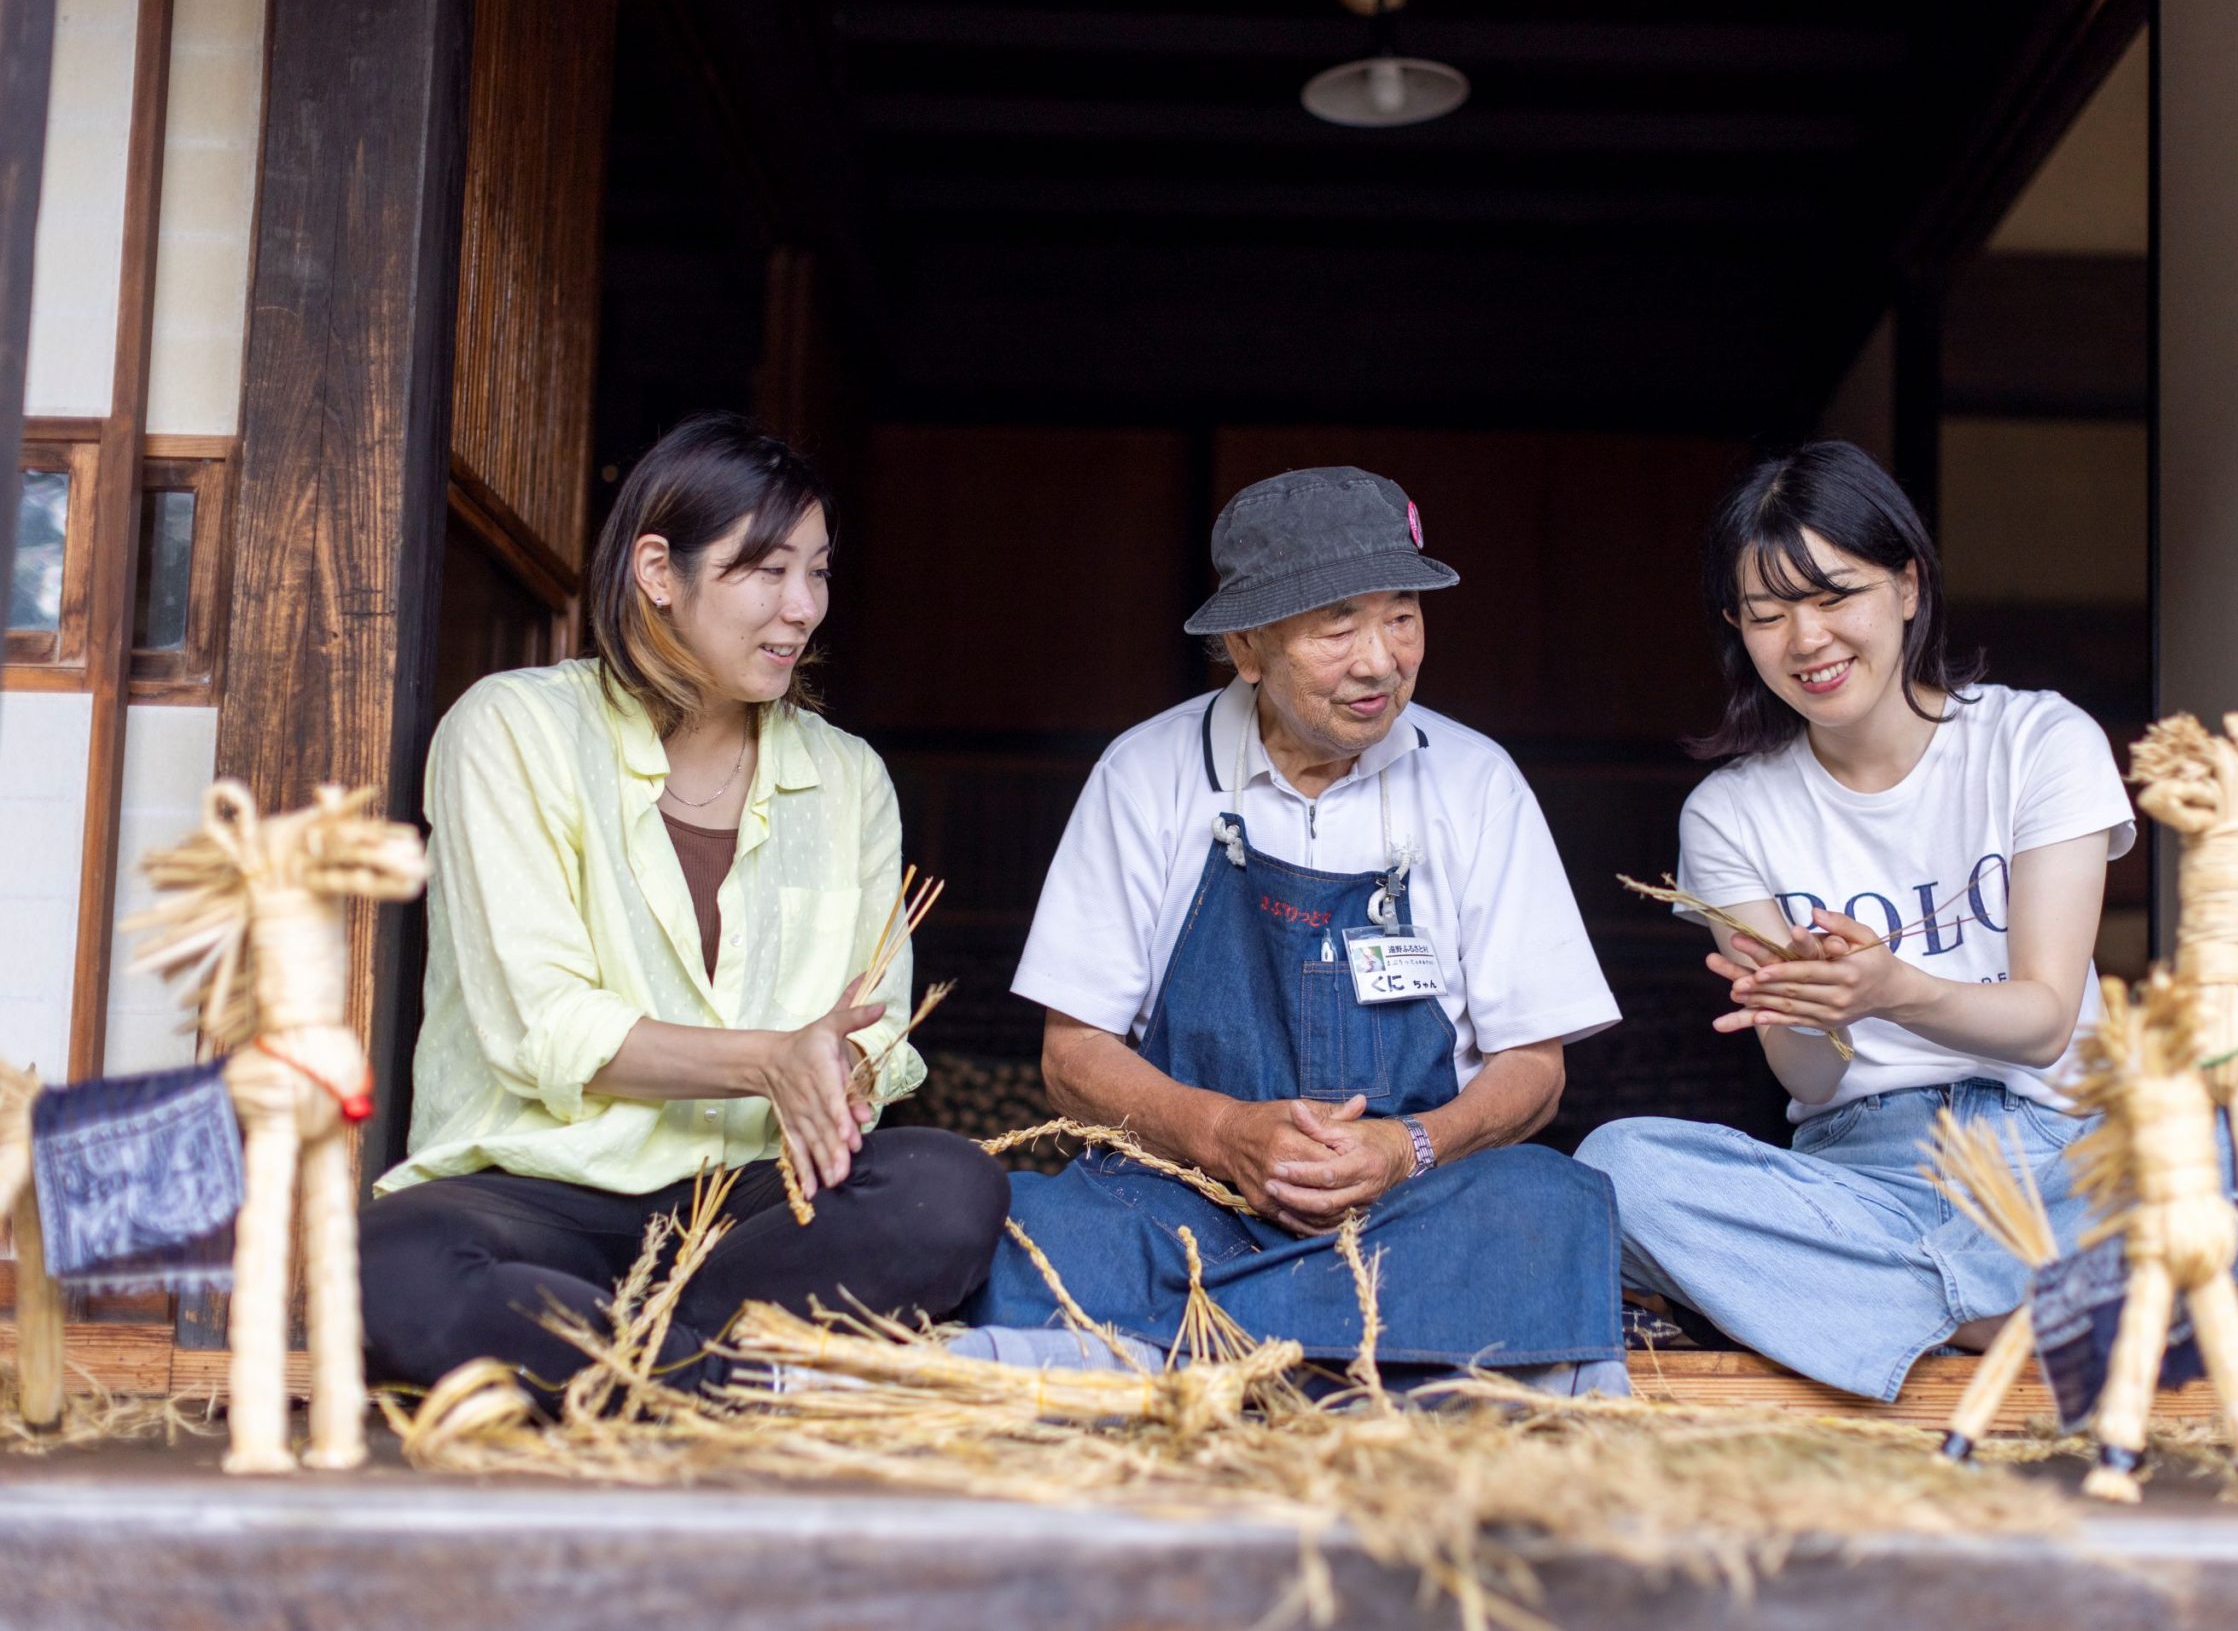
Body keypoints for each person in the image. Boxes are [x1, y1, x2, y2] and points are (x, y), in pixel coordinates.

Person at [360, 414, 1008, 1399]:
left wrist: (842, 1071)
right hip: (545, 1195)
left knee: (949, 1188)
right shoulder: (513, 730)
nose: (802, 607)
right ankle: (731, 1372)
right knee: (390, 1261)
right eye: (766, 569)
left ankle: (625, 1369)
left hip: (754, 1213)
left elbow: (877, 1031)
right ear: (659, 569)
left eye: (819, 572)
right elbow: (538, 1025)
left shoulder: (848, 779)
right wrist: (768, 1058)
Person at [961, 467, 1627, 1391]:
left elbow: (1535, 1070)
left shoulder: (1477, 784)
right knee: (1033, 1221)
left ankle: (1171, 1367)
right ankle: (1395, 1379)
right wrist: (1223, 1130)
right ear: (1246, 645)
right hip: (1191, 1195)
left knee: (1551, 1202)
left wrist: (1408, 1147)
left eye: (1401, 615)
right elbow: (1073, 1053)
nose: (1380, 660)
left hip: (1408, 1210)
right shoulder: (1145, 773)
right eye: (1336, 626)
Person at [1575, 441, 2136, 1401]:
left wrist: (1894, 989)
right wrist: (1811, 1008)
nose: (1807, 639)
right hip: (1863, 1179)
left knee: (2230, 1139)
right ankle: (1999, 1310)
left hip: (2055, 1155)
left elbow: (2044, 1021)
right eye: (1768, 612)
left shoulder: (2038, 742)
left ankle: (1884, 1311)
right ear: (1737, 629)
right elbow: (1805, 1073)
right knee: (1615, 1169)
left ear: (1908, 586)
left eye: (1836, 596)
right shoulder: (1731, 813)